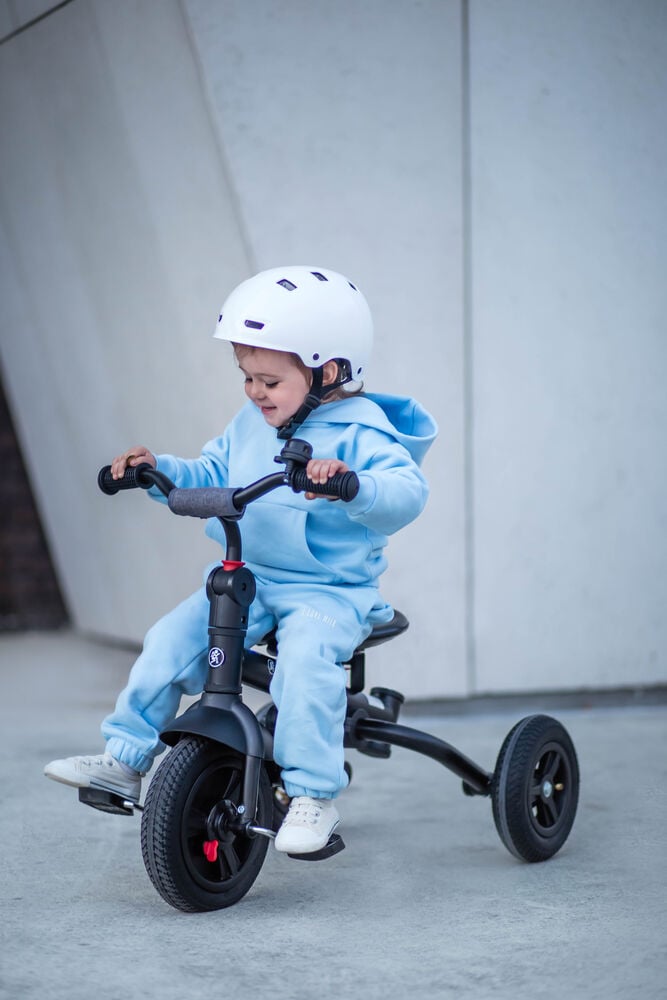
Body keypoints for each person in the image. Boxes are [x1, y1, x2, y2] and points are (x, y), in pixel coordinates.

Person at [44, 265, 437, 854]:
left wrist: (352, 485)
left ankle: (312, 797)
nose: (255, 392)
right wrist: (156, 471)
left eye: (270, 380)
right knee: (171, 639)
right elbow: (212, 471)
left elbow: (407, 493)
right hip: (249, 578)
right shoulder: (251, 424)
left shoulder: (365, 433)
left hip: (328, 590)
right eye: (248, 377)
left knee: (304, 666)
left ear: (328, 372)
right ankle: (124, 759)